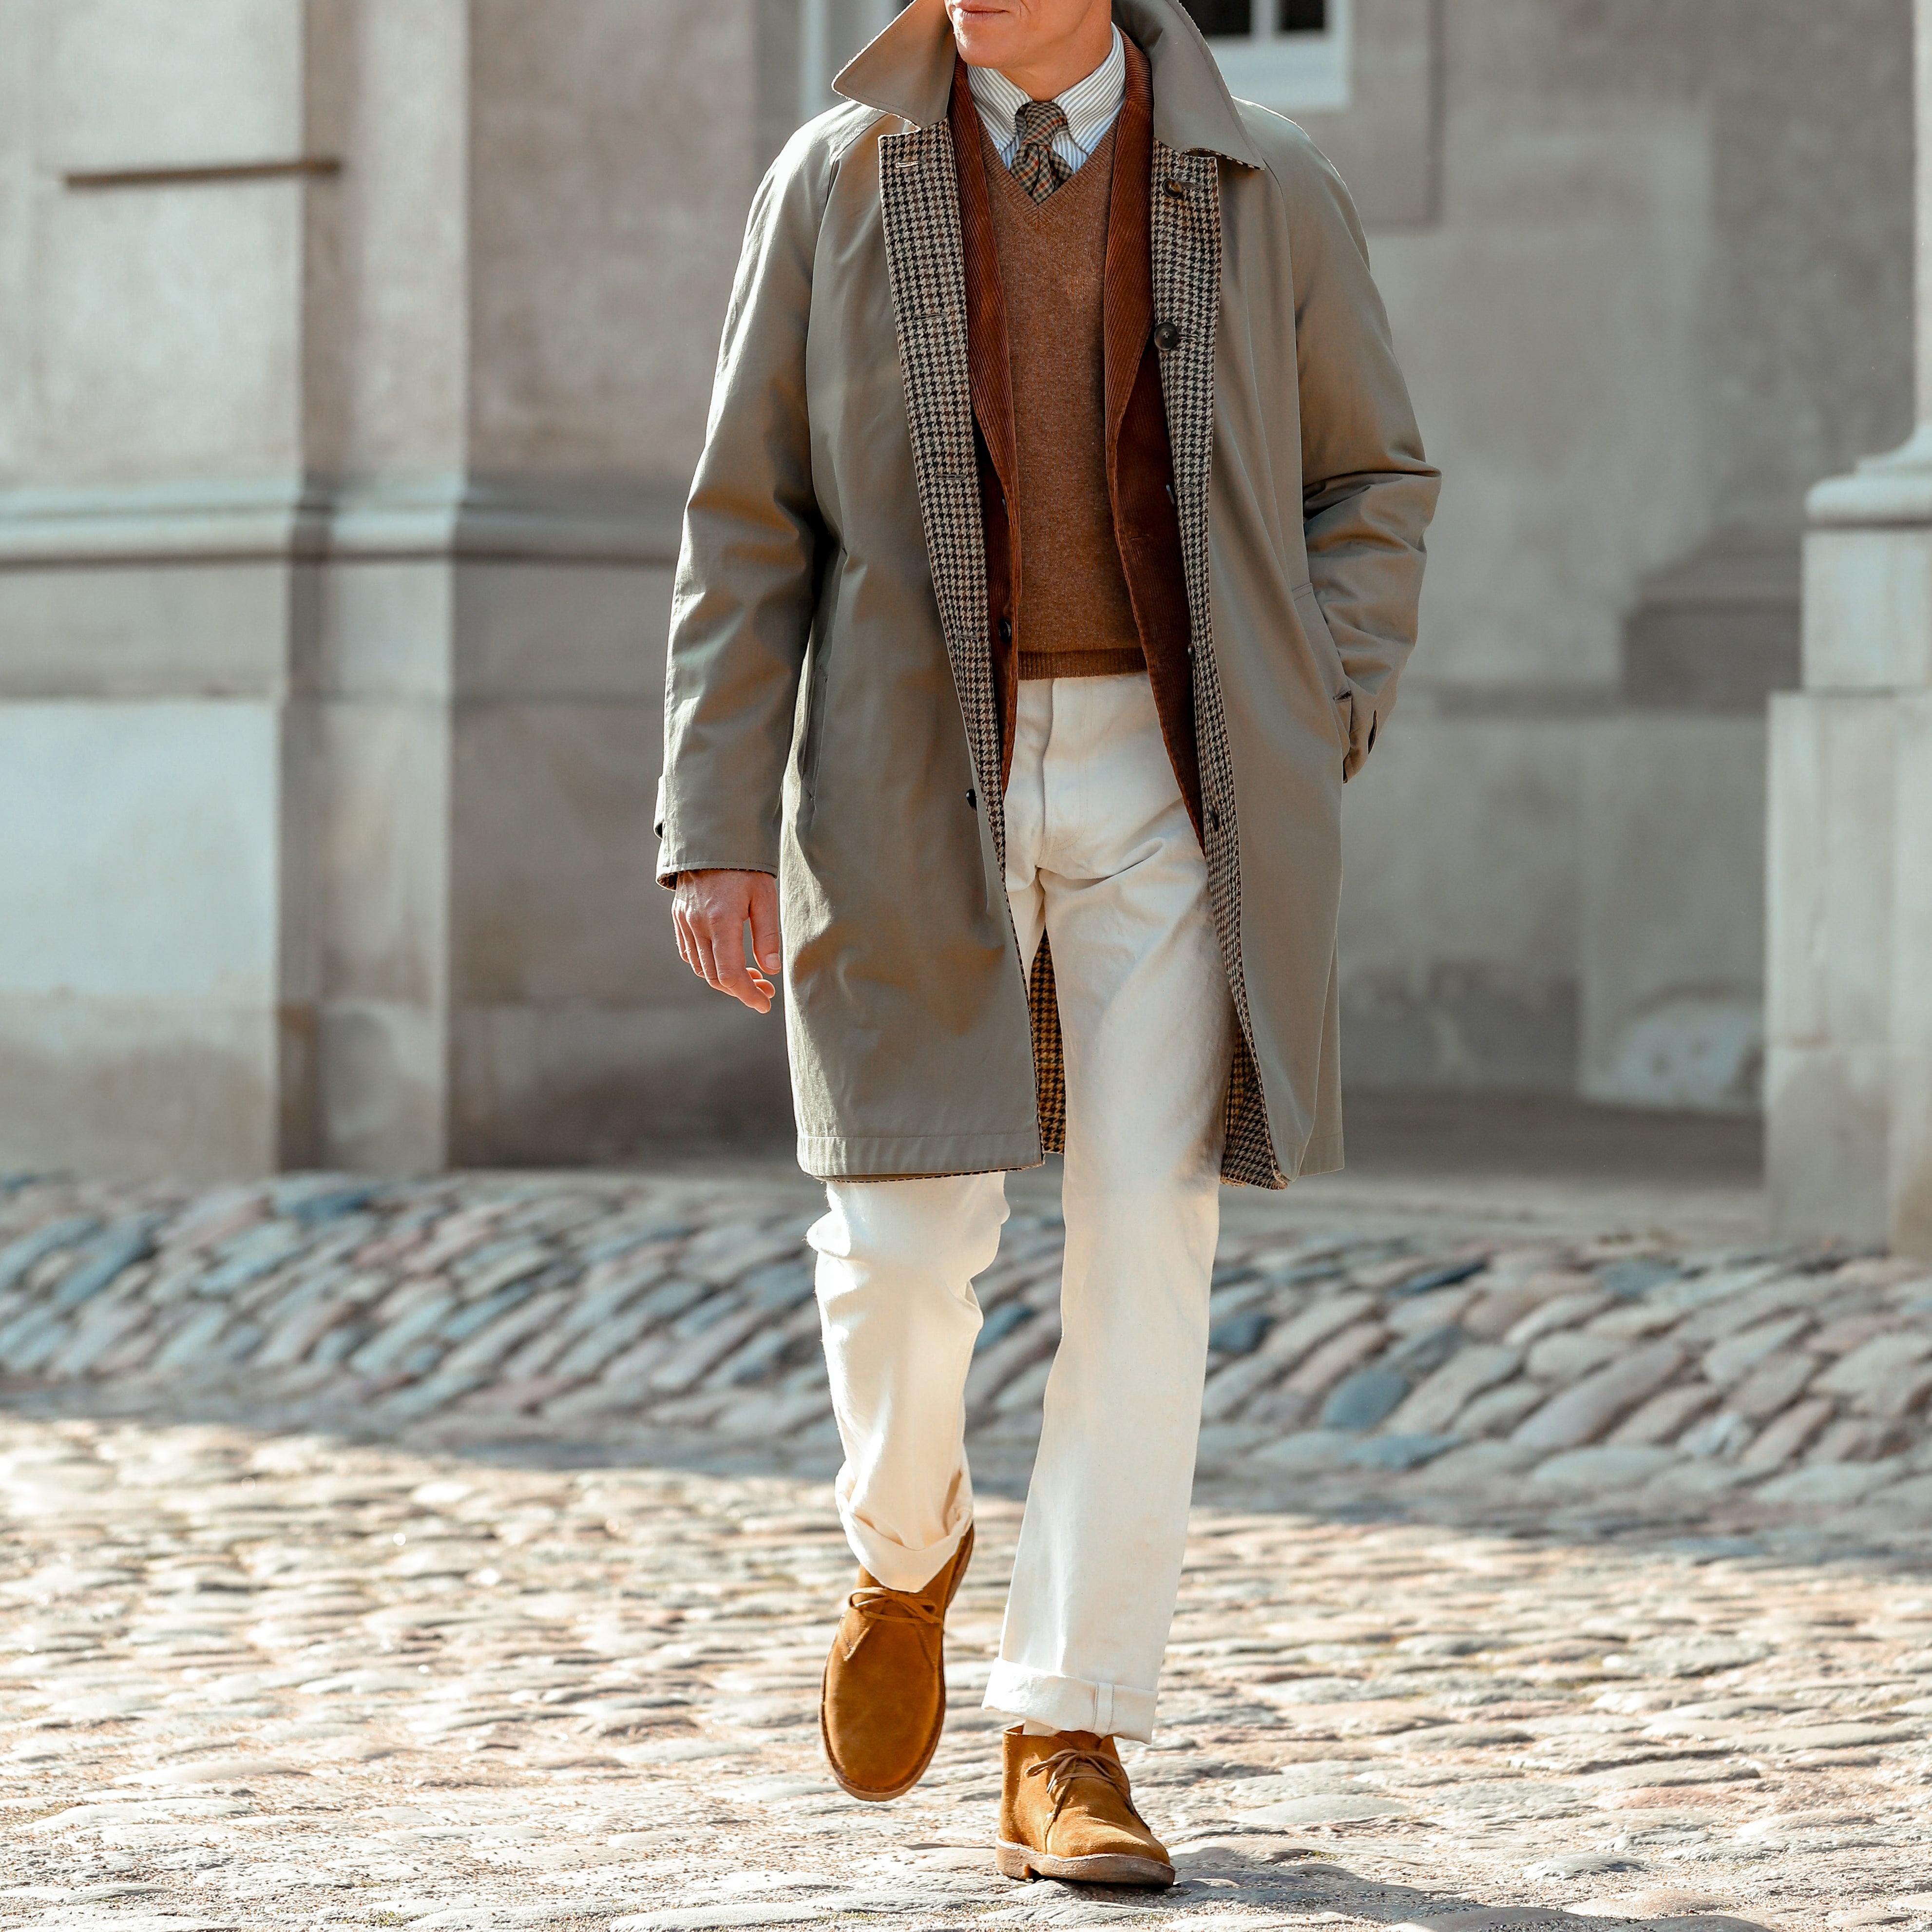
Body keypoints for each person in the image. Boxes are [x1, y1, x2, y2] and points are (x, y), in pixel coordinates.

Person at [657, 0, 1437, 1889]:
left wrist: (1296, 718)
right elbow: (743, 521)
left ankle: (1065, 1720)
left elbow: (1374, 488)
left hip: (1173, 783)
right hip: (906, 777)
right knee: (903, 1242)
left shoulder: (1265, 188)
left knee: (1144, 1235)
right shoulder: (836, 177)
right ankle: (902, 1543)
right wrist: (709, 817)